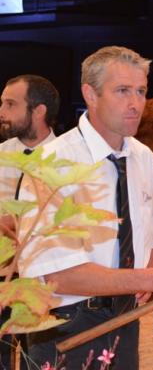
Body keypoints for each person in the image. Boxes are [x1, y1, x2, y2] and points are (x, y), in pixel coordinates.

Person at [16, 47, 153, 369]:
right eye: (122, 91)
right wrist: (149, 279)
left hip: (124, 321)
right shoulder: (51, 166)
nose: (136, 104)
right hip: (60, 327)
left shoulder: (143, 158)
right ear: (90, 94)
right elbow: (59, 276)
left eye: (141, 91)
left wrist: (140, 282)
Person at [0, 74, 59, 370]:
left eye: (10, 104)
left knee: (37, 360)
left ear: (39, 111)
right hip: (1, 279)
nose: (1, 112)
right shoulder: (0, 155)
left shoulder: (66, 159)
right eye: (2, 103)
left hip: (44, 282)